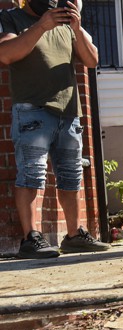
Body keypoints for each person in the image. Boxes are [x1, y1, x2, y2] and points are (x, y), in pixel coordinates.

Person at [0, 0, 110, 258]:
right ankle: (30, 238)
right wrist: (41, 26)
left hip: (69, 112)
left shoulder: (67, 24)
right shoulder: (11, 18)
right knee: (31, 174)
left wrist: (77, 28)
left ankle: (73, 236)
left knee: (71, 177)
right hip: (32, 110)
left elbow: (92, 60)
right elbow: (6, 54)